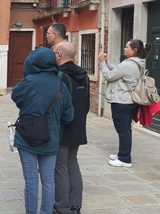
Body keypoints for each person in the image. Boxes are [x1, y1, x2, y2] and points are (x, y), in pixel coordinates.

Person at [11, 47, 74, 214]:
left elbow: (16, 97)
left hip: (26, 135)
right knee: (48, 182)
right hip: (50, 137)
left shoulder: (28, 81)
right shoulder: (61, 85)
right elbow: (68, 116)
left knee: (31, 181)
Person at [99, 39, 151, 167]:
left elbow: (110, 76)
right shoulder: (136, 62)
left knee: (123, 130)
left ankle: (124, 159)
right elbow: (116, 69)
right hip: (129, 100)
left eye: (127, 47)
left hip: (122, 101)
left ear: (135, 50)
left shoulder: (128, 64)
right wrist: (106, 62)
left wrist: (101, 63)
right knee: (126, 129)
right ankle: (122, 153)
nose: (124, 48)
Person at [53, 42, 89, 214]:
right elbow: (87, 104)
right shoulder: (84, 75)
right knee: (72, 163)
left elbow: (58, 105)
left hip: (63, 128)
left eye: (54, 52)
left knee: (60, 166)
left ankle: (61, 207)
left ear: (59, 55)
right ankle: (75, 205)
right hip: (79, 126)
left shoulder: (60, 76)